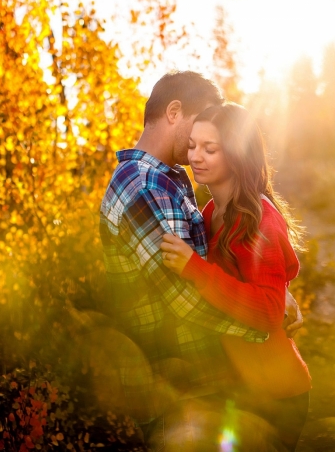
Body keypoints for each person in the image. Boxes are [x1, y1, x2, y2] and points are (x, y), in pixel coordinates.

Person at [98, 71, 303, 448]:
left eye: (212, 145)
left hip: (205, 386)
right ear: (174, 111)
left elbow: (225, 262)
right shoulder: (146, 186)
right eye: (197, 138)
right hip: (179, 386)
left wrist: (277, 295)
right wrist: (266, 322)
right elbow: (185, 300)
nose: (197, 154)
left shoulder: (170, 180)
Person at [160, 102, 312, 451]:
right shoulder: (212, 211)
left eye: (210, 149)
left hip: (277, 395)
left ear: (236, 155)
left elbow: (269, 312)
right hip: (240, 389)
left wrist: (195, 270)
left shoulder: (259, 221)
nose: (195, 156)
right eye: (194, 145)